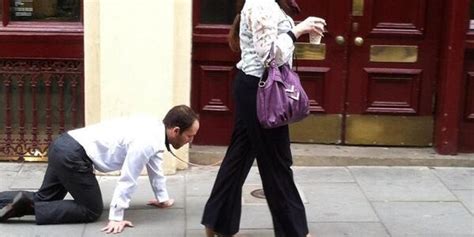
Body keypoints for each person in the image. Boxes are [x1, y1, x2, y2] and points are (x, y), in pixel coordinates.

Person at [201, 0, 325, 236]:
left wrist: (297, 29)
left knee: (238, 157)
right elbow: (269, 55)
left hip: (254, 88)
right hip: (262, 91)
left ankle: (216, 221)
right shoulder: (262, 4)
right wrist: (298, 30)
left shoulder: (267, 3)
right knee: (277, 163)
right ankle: (294, 231)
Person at [0, 105, 199, 234]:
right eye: (190, 136)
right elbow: (128, 178)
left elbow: (155, 166)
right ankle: (28, 208)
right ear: (175, 131)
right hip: (73, 156)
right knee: (91, 209)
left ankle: (16, 202)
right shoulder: (147, 141)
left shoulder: (153, 128)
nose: (191, 140)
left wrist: (163, 198)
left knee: (46, 198)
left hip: (63, 144)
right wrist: (116, 216)